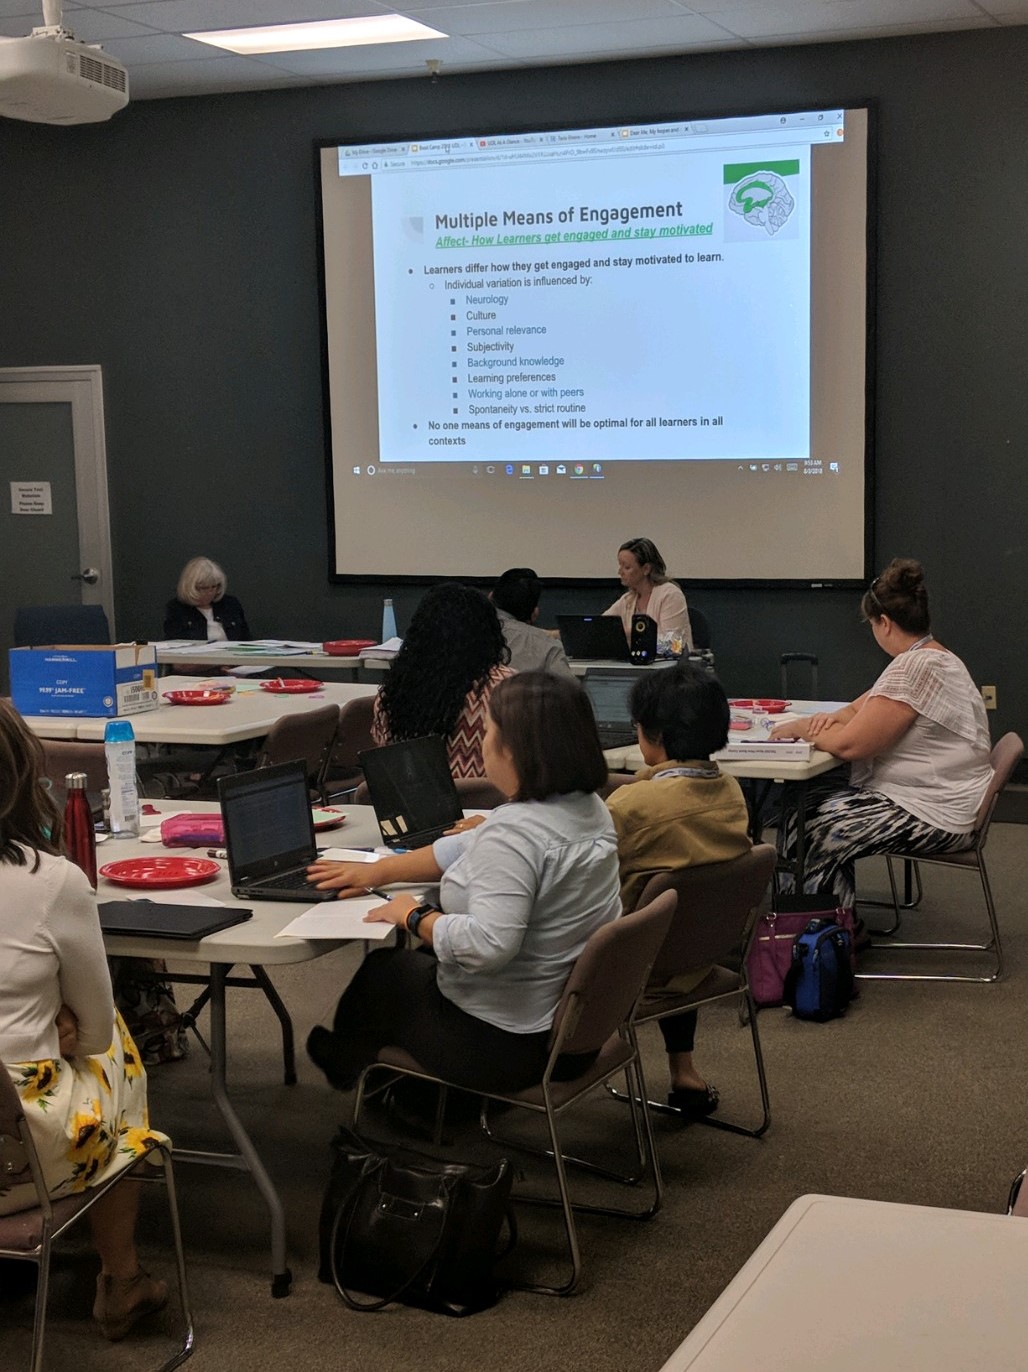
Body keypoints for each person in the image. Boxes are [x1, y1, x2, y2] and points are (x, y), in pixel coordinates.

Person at [306, 672, 621, 1095]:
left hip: (503, 1045)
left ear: (514, 749)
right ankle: (402, 1089)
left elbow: (488, 946)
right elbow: (463, 846)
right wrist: (378, 872)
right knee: (415, 963)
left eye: (488, 732)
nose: (483, 743)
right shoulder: (587, 809)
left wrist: (414, 915)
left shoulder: (515, 835)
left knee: (382, 973)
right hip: (570, 1032)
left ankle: (353, 1070)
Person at [0, 699, 169, 1342]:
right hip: (18, 1161)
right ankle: (121, 1279)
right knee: (114, 1046)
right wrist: (58, 1023)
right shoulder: (52, 882)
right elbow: (94, 1034)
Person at [770, 558, 993, 906]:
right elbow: (854, 712)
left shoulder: (915, 667)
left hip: (935, 814)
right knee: (809, 799)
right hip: (944, 801)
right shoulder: (934, 657)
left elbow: (852, 745)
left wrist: (803, 729)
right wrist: (829, 724)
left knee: (812, 824)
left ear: (885, 623)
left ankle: (817, 927)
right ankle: (824, 920)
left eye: (872, 624)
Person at [606, 663, 750, 1118]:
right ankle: (684, 1071)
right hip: (697, 957)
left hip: (634, 970)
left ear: (655, 735)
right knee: (677, 908)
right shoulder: (732, 793)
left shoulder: (630, 808)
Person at [371, 582, 515, 779]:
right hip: (493, 797)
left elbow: (386, 762)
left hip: (417, 797)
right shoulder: (510, 689)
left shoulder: (393, 694)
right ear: (490, 633)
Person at [604, 537, 692, 648]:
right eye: (620, 565)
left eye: (626, 567)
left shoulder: (670, 595)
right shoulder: (628, 599)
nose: (620, 572)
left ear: (646, 569)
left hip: (670, 660)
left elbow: (675, 646)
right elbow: (601, 626)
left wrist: (632, 636)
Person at [491, 566, 575, 679]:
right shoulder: (547, 646)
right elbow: (568, 688)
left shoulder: (468, 632)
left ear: (490, 596)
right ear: (534, 613)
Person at [163, 555, 251, 641]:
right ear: (191, 587)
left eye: (214, 587)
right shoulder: (177, 609)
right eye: (204, 588)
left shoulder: (230, 604)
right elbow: (174, 642)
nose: (210, 592)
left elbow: (245, 639)